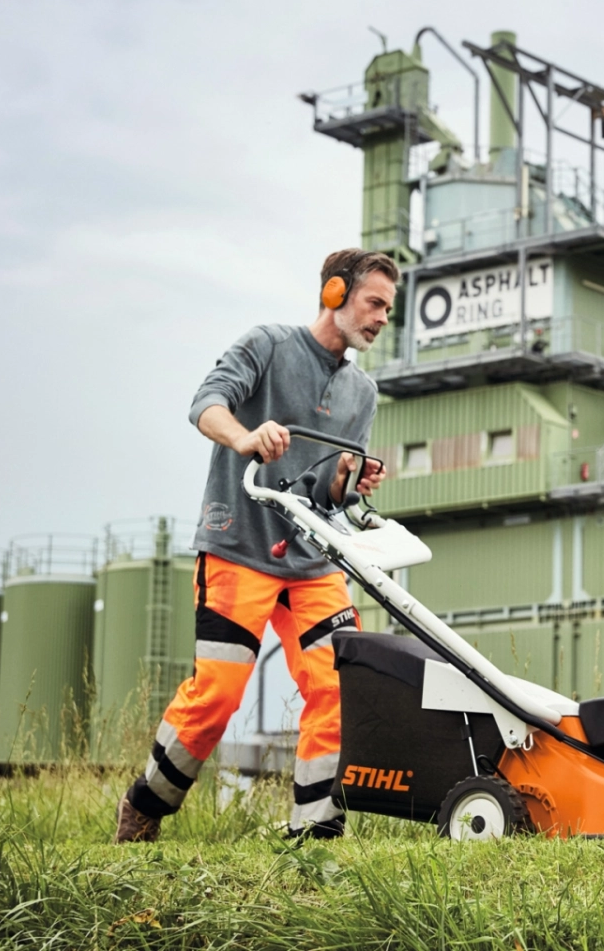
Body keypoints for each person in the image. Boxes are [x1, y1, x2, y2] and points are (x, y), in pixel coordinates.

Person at [115, 248, 397, 843]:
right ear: (335, 293)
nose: (381, 318)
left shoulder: (362, 393)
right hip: (238, 545)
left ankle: (314, 838)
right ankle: (144, 806)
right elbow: (206, 405)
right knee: (218, 693)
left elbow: (327, 488)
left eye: (388, 310)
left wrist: (351, 480)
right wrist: (246, 437)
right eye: (374, 303)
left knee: (339, 688)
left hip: (312, 561)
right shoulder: (267, 346)